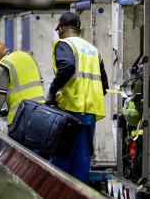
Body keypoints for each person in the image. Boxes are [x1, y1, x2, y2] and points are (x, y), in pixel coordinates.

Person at [45, 12, 109, 185]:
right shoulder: (94, 50)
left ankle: (57, 193)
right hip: (90, 111)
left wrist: (52, 90)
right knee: (82, 158)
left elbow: (67, 65)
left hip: (70, 109)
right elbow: (104, 85)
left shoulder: (64, 44)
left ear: (60, 27)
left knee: (62, 156)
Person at [0, 40, 45, 132]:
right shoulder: (28, 57)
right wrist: (8, 109)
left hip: (21, 119)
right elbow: (39, 84)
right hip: (42, 114)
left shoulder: (3, 65)